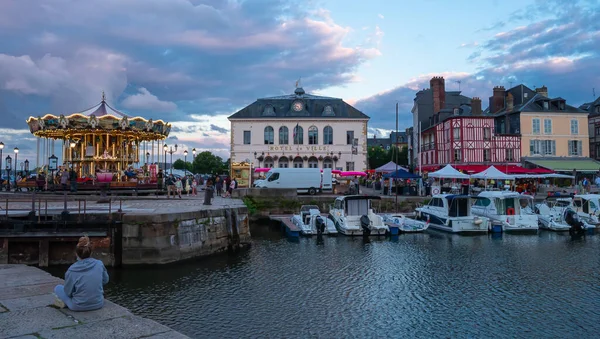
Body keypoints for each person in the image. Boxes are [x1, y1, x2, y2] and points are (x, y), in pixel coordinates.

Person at [53, 236, 109, 311]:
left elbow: (68, 292)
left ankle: (66, 303)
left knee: (58, 288)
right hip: (98, 303)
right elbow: (105, 280)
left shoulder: (71, 270)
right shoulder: (99, 264)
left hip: (77, 306)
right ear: (91, 252)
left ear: (76, 254)